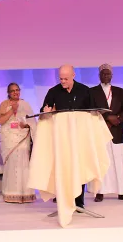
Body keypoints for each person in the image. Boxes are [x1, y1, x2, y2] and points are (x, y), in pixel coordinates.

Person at [41, 64, 94, 208]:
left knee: (79, 168)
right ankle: (63, 197)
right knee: (63, 167)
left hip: (79, 138)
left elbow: (92, 112)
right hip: (61, 138)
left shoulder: (85, 91)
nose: (63, 81)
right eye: (60, 78)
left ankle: (79, 201)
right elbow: (44, 110)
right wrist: (46, 110)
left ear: (73, 76)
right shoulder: (53, 91)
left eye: (65, 78)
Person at [88, 64, 123, 202]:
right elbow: (90, 110)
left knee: (119, 163)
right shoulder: (92, 91)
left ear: (112, 76)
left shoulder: (120, 91)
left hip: (117, 131)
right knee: (101, 162)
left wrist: (117, 120)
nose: (106, 76)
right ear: (99, 75)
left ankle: (122, 192)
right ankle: (100, 192)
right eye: (103, 74)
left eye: (108, 74)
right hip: (100, 131)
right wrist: (107, 119)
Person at [0, 83, 37, 203]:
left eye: (17, 90)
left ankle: (26, 194)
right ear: (8, 93)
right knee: (12, 163)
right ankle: (11, 193)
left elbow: (32, 121)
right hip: (9, 138)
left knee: (24, 163)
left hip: (22, 137)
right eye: (12, 91)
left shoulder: (25, 104)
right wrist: (12, 111)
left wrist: (26, 125)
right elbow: (0, 121)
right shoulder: (4, 104)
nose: (15, 92)